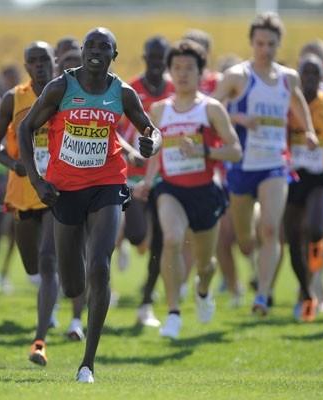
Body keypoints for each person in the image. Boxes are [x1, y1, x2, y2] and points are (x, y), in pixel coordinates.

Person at [19, 27, 161, 383]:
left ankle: (88, 364)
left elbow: (151, 130)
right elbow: (25, 128)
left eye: (105, 47)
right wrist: (37, 181)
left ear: (114, 55)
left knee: (100, 266)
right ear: (82, 51)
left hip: (107, 183)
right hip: (64, 189)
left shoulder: (122, 92)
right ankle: (76, 300)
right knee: (72, 285)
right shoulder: (61, 88)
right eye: (91, 45)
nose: (96, 51)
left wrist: (150, 144)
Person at [213, 12, 318, 316]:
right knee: (246, 241)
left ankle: (262, 296)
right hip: (242, 166)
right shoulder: (237, 76)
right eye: (260, 43)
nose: (265, 49)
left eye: (271, 43)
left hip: (275, 163)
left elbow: (297, 102)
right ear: (251, 43)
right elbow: (209, 107)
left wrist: (308, 130)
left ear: (278, 44)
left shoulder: (288, 77)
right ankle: (252, 255)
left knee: (271, 230)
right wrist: (237, 118)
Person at [136, 40, 241, 338]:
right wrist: (147, 180)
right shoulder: (158, 111)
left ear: (201, 72)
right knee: (171, 239)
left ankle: (203, 290)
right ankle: (173, 314)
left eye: (189, 68)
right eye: (177, 68)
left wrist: (204, 151)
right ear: (170, 72)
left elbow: (235, 151)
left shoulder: (211, 109)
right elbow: (155, 152)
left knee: (206, 265)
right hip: (170, 189)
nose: (182, 74)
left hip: (205, 192)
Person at [0, 41, 58, 366]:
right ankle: (48, 293)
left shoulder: (67, 94)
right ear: (27, 66)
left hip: (57, 191)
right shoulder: (13, 98)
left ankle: (39, 341)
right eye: (34, 61)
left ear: (54, 61)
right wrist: (11, 162)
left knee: (47, 261)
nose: (40, 65)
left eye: (45, 59)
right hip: (21, 193)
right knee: (32, 264)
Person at [120, 35, 174, 327]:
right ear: (145, 58)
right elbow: (113, 128)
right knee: (137, 236)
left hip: (164, 176)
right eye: (151, 59)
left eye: (161, 60)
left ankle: (146, 303)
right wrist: (130, 152)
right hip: (133, 176)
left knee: (161, 242)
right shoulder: (130, 89)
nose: (156, 65)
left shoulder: (175, 92)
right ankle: (127, 242)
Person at [285, 54, 323, 322]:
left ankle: (313, 276)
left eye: (314, 74)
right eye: (305, 73)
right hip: (292, 176)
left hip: (320, 176)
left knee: (317, 230)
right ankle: (307, 293)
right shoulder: (287, 103)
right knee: (293, 238)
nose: (309, 79)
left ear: (322, 77)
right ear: (298, 75)